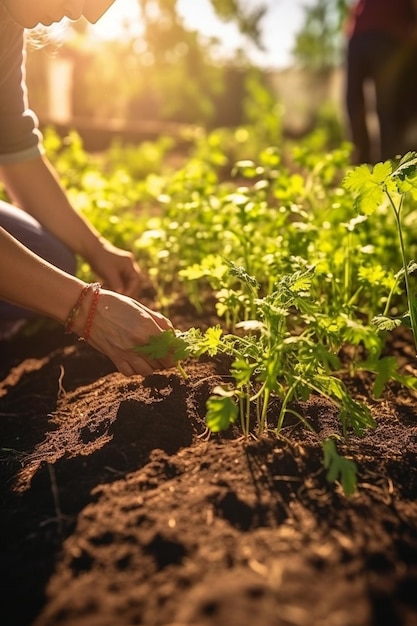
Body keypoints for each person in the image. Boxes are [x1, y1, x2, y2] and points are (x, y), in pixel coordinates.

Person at [0, 0, 175, 377]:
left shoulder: (7, 23)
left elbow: (16, 153)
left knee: (52, 257)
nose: (92, 15)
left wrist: (97, 249)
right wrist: (84, 309)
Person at [344, 0, 417, 164]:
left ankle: (389, 169)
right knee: (355, 103)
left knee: (387, 107)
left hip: (390, 36)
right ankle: (363, 165)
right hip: (359, 34)